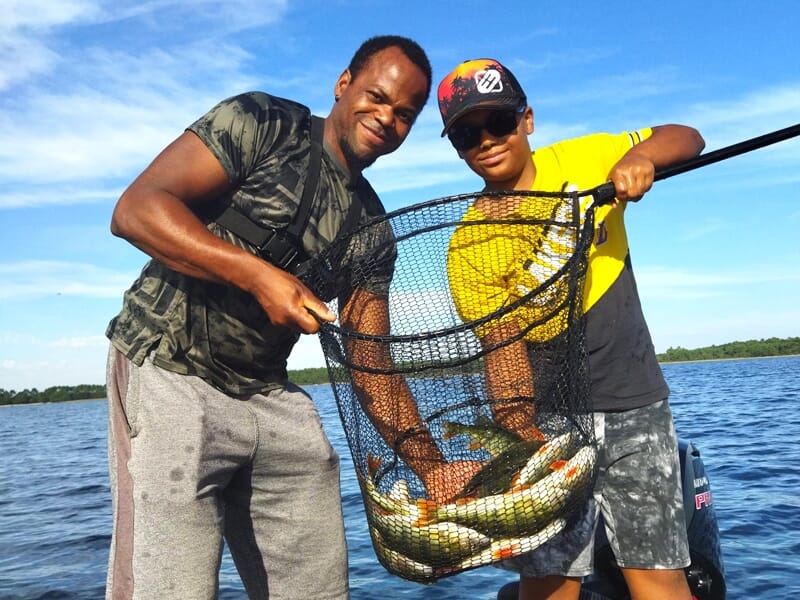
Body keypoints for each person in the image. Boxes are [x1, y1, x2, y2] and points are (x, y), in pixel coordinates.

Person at [104, 36, 477, 600]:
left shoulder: (373, 232)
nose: (386, 118)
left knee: (316, 563)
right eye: (376, 97)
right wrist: (257, 276)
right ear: (343, 84)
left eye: (404, 114)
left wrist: (433, 467)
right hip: (168, 368)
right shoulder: (263, 124)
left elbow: (370, 363)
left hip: (265, 390)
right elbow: (136, 210)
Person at [437, 58, 706, 600]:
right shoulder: (468, 244)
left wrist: (639, 157)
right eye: (467, 134)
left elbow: (687, 137)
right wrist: (521, 433)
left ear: (527, 119)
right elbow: (502, 350)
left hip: (633, 401)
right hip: (550, 421)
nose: (486, 141)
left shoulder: (586, 158)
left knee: (657, 576)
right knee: (548, 579)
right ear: (457, 148)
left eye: (499, 123)